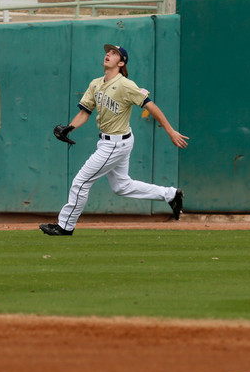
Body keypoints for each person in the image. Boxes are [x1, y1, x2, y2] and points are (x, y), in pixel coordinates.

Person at [41, 43, 188, 236]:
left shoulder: (126, 85)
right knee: (122, 186)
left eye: (114, 53)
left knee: (81, 182)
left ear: (121, 63)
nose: (108, 55)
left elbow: (150, 106)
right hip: (111, 141)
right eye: (108, 52)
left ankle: (65, 226)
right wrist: (70, 128)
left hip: (115, 143)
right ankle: (171, 194)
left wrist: (170, 130)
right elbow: (85, 112)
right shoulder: (95, 83)